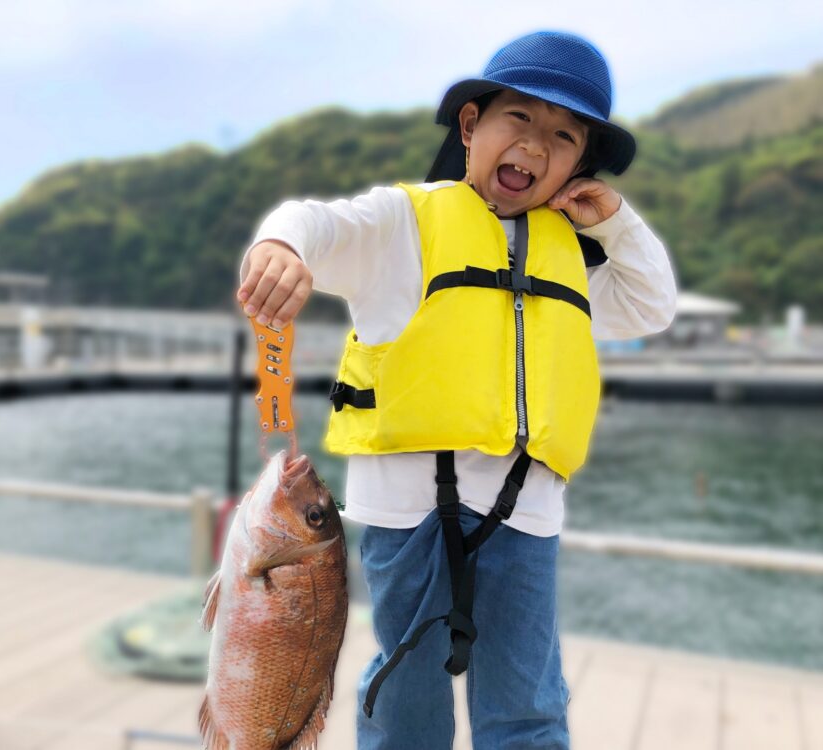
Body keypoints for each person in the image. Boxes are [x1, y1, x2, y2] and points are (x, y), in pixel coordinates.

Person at [236, 30, 677, 750]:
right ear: (471, 126)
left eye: (563, 136)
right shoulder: (402, 222)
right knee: (406, 695)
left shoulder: (571, 260)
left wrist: (618, 223)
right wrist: (280, 246)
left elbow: (653, 305)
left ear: (578, 165)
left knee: (528, 704)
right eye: (519, 118)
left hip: (526, 513)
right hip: (406, 506)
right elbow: (316, 222)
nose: (535, 146)